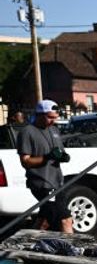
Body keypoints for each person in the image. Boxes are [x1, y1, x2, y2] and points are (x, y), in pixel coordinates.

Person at [17, 100, 72, 233]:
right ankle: (73, 250)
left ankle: (26, 245)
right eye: (50, 117)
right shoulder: (27, 132)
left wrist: (64, 157)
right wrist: (47, 157)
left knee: (45, 221)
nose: (53, 121)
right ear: (39, 114)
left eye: (55, 117)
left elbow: (60, 152)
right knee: (66, 220)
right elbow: (25, 161)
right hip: (41, 183)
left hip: (58, 182)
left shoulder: (54, 130)